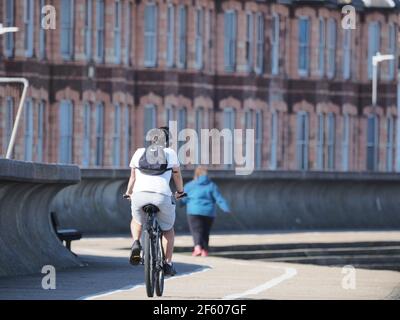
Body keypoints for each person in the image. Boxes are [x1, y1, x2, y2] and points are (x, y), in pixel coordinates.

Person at [124, 127, 185, 276]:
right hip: (162, 195)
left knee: (136, 221)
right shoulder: (170, 153)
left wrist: (128, 193)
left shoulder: (139, 152)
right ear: (167, 141)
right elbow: (176, 175)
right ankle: (168, 263)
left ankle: (136, 243)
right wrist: (180, 192)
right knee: (168, 229)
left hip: (139, 194)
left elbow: (132, 177)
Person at [181, 166, 230, 257]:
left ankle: (197, 248)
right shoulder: (212, 185)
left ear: (196, 174)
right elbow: (219, 199)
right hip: (208, 212)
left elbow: (184, 198)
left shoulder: (190, 185)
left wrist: (180, 204)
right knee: (205, 231)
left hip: (194, 211)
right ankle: (205, 250)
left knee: (196, 230)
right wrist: (226, 208)